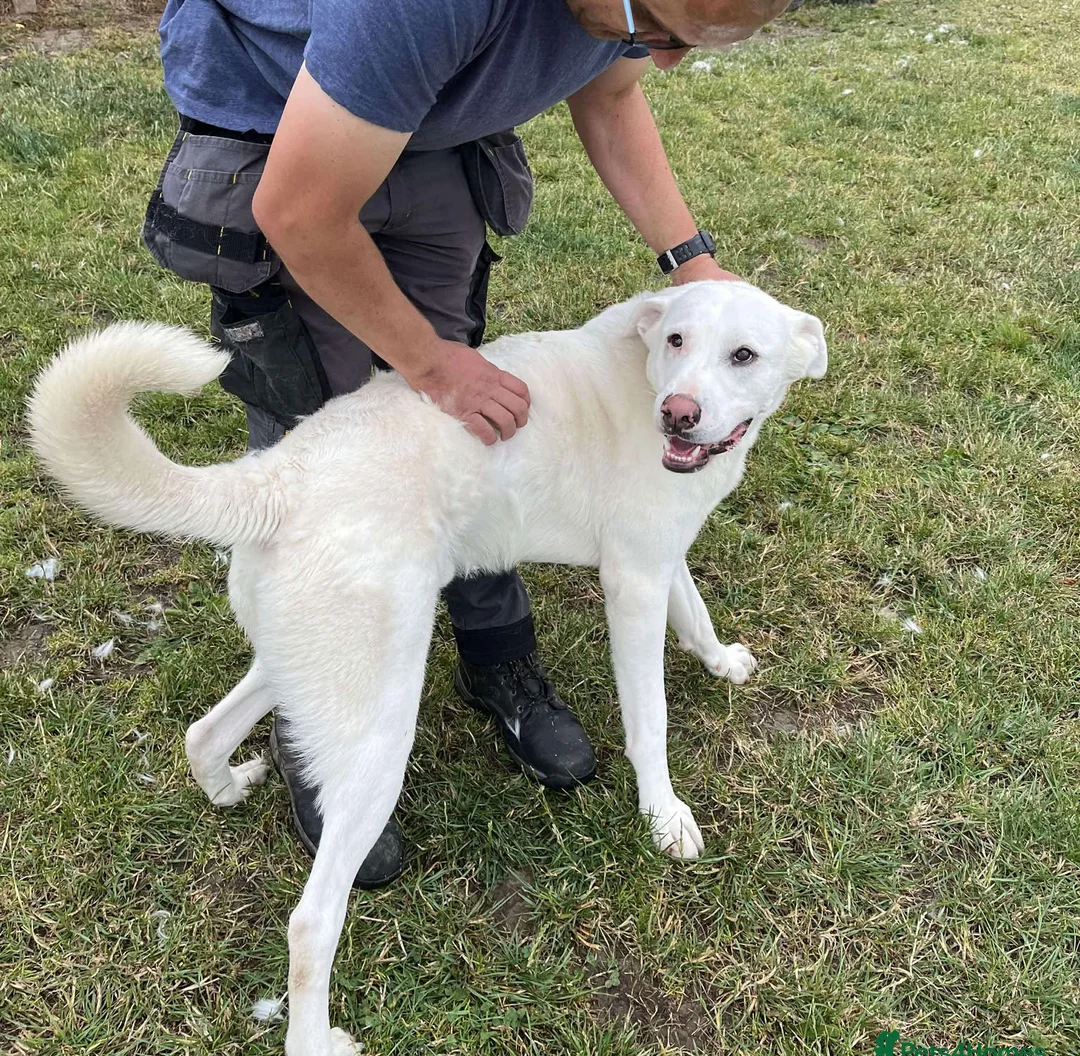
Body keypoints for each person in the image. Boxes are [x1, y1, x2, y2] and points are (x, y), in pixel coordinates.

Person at [143, 0, 790, 888]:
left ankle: (497, 656)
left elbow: (612, 97)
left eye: (696, 44)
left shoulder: (630, 19)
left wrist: (691, 261)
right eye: (661, 30)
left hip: (435, 142)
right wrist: (431, 363)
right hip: (277, 140)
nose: (668, 63)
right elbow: (299, 210)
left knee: (468, 449)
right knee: (333, 458)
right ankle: (315, 713)